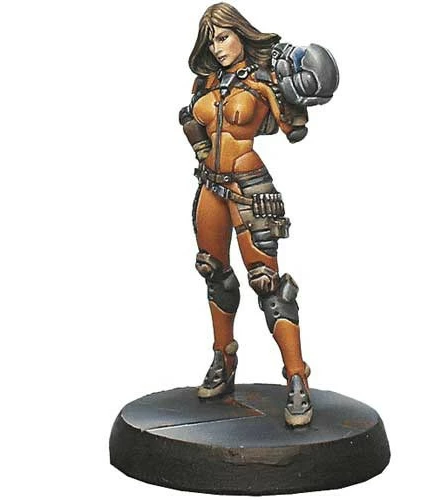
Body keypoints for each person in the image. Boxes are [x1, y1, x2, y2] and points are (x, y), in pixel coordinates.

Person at [179, 2, 338, 426]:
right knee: (214, 272)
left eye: (223, 37)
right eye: (211, 41)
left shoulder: (264, 80)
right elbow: (189, 119)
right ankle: (223, 360)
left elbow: (295, 128)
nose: (218, 47)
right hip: (210, 185)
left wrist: (297, 88)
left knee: (268, 284)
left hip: (250, 187)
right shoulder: (206, 81)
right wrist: (201, 148)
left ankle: (297, 378)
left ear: (240, 34)